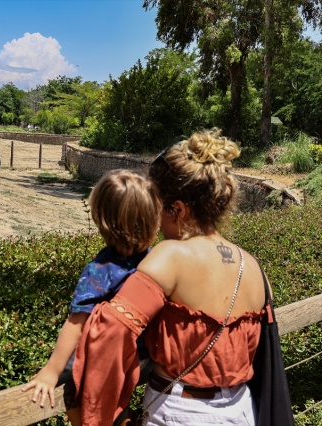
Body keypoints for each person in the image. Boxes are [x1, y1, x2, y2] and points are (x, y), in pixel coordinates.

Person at [73, 128, 268, 425]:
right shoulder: (251, 265)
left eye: (156, 207)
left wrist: (103, 416)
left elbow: (110, 332)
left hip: (180, 412)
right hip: (241, 410)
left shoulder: (170, 255)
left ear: (176, 209)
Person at [21, 169, 162, 425]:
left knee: (70, 377)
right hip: (149, 358)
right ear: (154, 220)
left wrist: (51, 371)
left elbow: (77, 322)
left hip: (114, 360)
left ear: (101, 220)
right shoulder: (160, 261)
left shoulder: (100, 270)